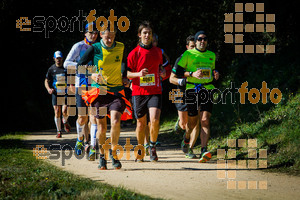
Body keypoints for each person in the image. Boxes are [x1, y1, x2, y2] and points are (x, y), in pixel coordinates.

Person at [78, 22, 129, 170]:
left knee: (115, 121)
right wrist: (92, 74)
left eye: (112, 37)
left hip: (116, 92)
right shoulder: (94, 48)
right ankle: (102, 156)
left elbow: (123, 62)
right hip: (99, 93)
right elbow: (80, 65)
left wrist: (124, 76)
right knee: (101, 126)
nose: (109, 40)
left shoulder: (120, 47)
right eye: (107, 37)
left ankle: (113, 153)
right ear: (101, 35)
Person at [172, 31, 219, 163]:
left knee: (205, 119)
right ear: (196, 41)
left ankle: (204, 149)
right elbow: (179, 72)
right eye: (199, 39)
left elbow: (214, 70)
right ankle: (186, 139)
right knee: (192, 122)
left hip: (207, 89)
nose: (202, 41)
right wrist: (192, 73)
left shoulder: (211, 55)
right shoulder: (188, 54)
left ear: (207, 41)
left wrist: (216, 74)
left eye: (204, 39)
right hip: (192, 89)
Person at [127, 21, 166, 162]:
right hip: (138, 92)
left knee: (155, 119)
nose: (147, 35)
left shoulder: (158, 52)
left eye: (149, 33)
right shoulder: (134, 53)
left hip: (155, 90)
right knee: (140, 123)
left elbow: (161, 67)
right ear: (139, 35)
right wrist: (138, 74)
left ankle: (152, 146)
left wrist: (162, 72)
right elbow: (127, 74)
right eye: (144, 33)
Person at [64, 22, 98, 159]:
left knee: (94, 116)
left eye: (95, 32)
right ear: (85, 33)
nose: (93, 35)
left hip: (95, 85)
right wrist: (82, 67)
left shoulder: (99, 47)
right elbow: (66, 63)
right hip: (82, 85)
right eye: (90, 32)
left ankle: (93, 147)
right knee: (82, 117)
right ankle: (79, 140)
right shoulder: (78, 46)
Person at [169, 35, 200, 159]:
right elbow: (171, 79)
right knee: (184, 124)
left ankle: (189, 148)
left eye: (195, 46)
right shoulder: (181, 59)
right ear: (187, 47)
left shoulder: (201, 58)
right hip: (180, 93)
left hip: (196, 92)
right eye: (191, 47)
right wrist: (183, 81)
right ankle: (179, 121)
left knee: (196, 122)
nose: (194, 49)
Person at [45, 51, 71, 138]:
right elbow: (46, 80)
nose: (58, 60)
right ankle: (59, 131)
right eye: (57, 58)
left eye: (60, 58)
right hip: (56, 93)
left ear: (62, 58)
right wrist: (49, 89)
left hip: (65, 92)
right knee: (57, 111)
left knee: (65, 111)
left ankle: (65, 120)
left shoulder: (66, 68)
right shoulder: (51, 69)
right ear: (54, 59)